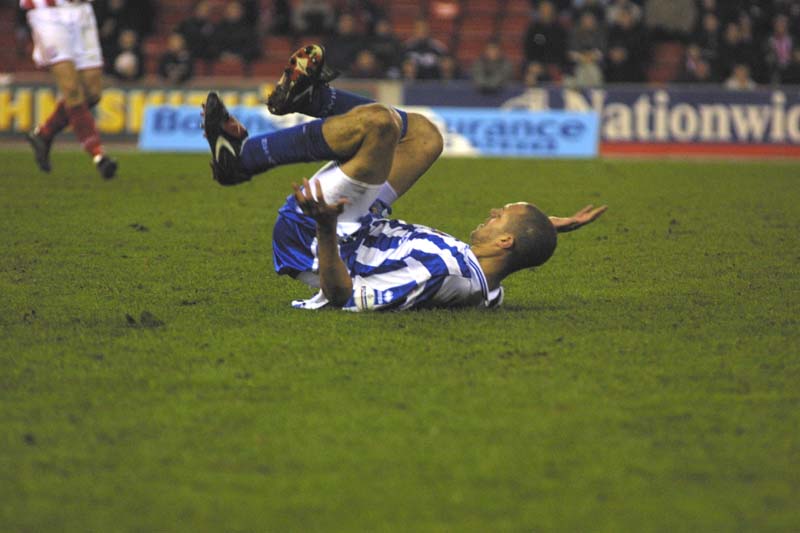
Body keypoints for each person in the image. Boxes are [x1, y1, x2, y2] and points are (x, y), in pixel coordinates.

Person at [201, 45, 607, 311]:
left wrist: (325, 226)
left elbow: (342, 296)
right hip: (362, 222)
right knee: (428, 136)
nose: (493, 209)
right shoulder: (488, 284)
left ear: (505, 241)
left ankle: (242, 161)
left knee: (379, 125)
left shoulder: (443, 273)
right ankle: (314, 100)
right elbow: (512, 252)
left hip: (321, 234)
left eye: (503, 215)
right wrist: (544, 228)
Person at [22, 0, 118, 179]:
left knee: (93, 93)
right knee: (71, 88)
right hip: (47, 14)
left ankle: (44, 134)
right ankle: (98, 155)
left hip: (82, 11)